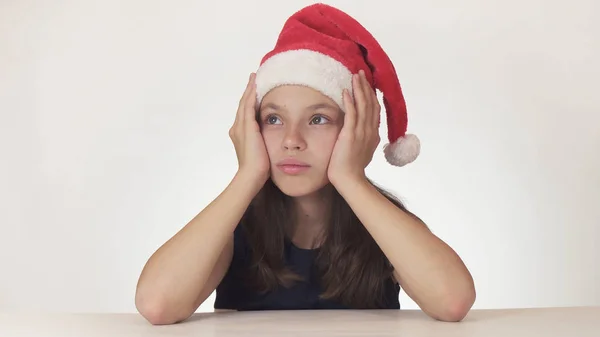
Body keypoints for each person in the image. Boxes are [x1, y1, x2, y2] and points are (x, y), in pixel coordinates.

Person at [134, 3, 476, 325]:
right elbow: (157, 304)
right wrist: (248, 174)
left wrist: (350, 178)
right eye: (273, 119)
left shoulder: (383, 223)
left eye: (318, 120)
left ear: (355, 130)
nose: (291, 140)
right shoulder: (234, 223)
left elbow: (452, 301)